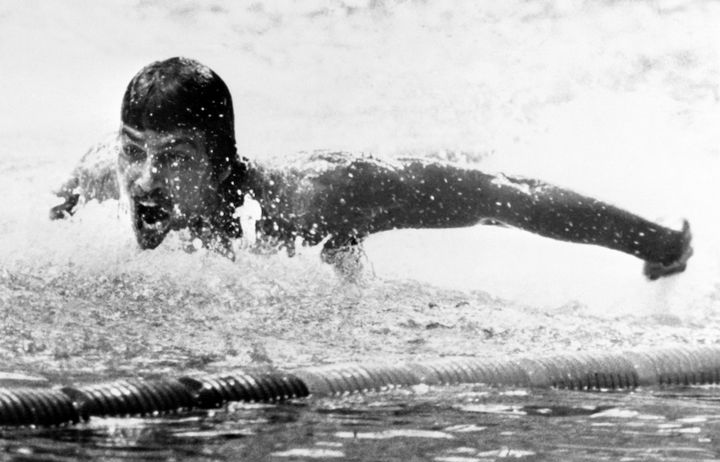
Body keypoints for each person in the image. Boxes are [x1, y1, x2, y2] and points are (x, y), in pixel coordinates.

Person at [50, 57, 693, 280]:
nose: (147, 179)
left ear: (220, 160)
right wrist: (63, 206)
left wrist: (657, 243)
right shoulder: (117, 169)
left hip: (333, 201)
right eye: (137, 150)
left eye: (174, 158)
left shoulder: (314, 202)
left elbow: (510, 198)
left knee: (475, 184)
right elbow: (84, 176)